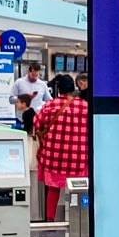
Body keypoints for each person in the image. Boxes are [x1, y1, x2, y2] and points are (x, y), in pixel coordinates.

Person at [32, 73, 88, 222]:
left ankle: (50, 220)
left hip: (54, 157)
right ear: (73, 88)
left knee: (53, 189)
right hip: (79, 157)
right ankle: (80, 219)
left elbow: (37, 123)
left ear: (59, 90)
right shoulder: (84, 106)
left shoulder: (50, 105)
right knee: (79, 190)